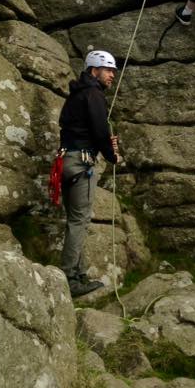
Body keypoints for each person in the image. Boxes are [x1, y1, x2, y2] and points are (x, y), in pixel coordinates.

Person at [58, 48, 123, 298]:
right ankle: (69, 276)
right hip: (80, 164)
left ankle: (78, 272)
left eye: (113, 71)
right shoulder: (93, 94)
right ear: (94, 70)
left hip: (66, 162)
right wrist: (111, 155)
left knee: (77, 220)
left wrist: (104, 143)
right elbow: (98, 130)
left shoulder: (77, 94)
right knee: (79, 221)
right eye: (108, 70)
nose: (112, 76)